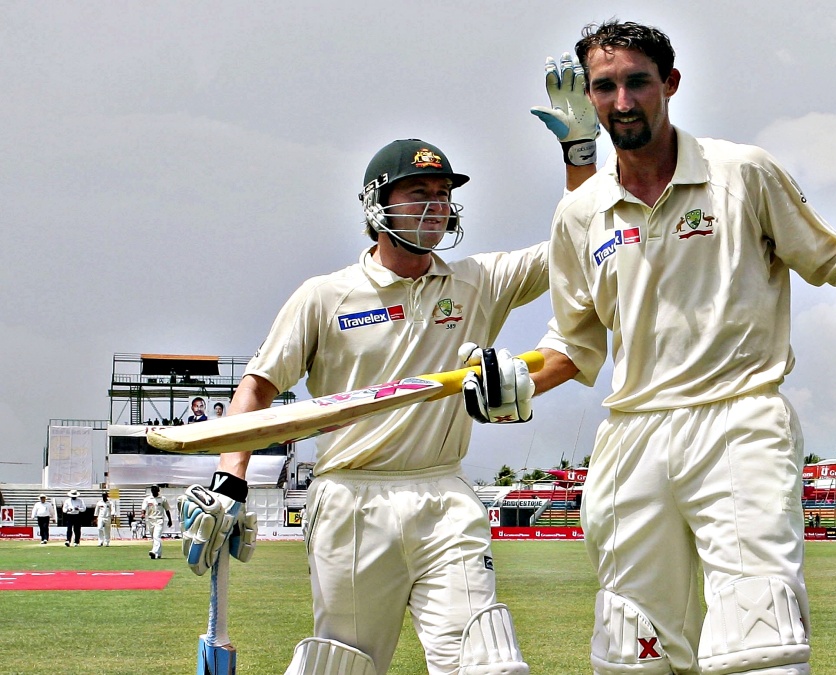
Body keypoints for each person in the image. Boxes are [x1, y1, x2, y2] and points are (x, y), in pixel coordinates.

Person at [516, 20, 836, 674]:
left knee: (759, 643)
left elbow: (831, 259)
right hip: (633, 436)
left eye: (637, 82)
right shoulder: (580, 215)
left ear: (670, 83)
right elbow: (572, 343)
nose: (622, 101)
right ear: (590, 98)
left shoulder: (743, 174)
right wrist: (514, 378)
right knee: (630, 650)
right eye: (605, 87)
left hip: (738, 420)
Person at [177, 129, 595, 675]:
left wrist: (580, 154)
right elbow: (257, 387)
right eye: (418, 192)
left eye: (443, 193)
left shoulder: (477, 281)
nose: (436, 206)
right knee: (345, 665)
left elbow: (578, 240)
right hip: (352, 498)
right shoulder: (325, 295)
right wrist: (230, 481)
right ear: (377, 205)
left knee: (487, 662)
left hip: (443, 491)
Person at [140, 485, 172, 559]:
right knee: (154, 538)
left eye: (155, 491)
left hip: (159, 520)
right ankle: (159, 553)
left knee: (156, 536)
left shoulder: (163, 499)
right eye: (153, 491)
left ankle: (154, 552)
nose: (154, 492)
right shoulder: (148, 499)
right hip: (150, 520)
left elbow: (167, 510)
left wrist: (170, 520)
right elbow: (143, 508)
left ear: (158, 491)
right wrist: (142, 514)